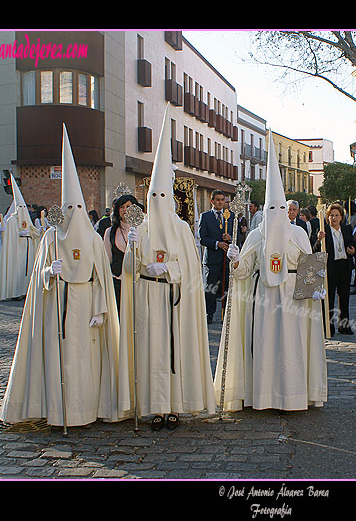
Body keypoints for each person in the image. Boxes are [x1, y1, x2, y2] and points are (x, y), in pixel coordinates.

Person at [0, 123, 126, 429]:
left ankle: (89, 409)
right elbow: (38, 279)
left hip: (87, 309)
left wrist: (101, 309)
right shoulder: (51, 239)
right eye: (70, 206)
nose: (74, 211)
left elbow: (101, 279)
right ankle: (61, 411)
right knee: (61, 361)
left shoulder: (95, 241)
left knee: (87, 362)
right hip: (58, 307)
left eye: (79, 206)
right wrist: (48, 272)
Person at [118, 105, 216, 431]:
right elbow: (130, 269)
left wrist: (170, 271)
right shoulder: (141, 228)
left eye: (164, 194)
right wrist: (132, 247)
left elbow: (189, 267)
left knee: (174, 351)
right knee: (151, 352)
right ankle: (154, 408)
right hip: (147, 297)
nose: (159, 200)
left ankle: (173, 406)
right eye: (154, 194)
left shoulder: (182, 230)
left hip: (173, 299)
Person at [216, 131, 327, 412]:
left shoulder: (299, 232)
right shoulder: (256, 234)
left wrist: (316, 286)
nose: (277, 213)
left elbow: (309, 262)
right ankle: (263, 395)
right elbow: (242, 274)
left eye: (282, 207)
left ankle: (293, 394)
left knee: (294, 345)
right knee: (265, 344)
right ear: (265, 209)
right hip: (264, 298)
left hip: (292, 297)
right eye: (272, 207)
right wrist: (236, 260)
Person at [0, 175, 42, 301]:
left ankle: (26, 290)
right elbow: (10, 236)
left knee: (27, 271)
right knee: (17, 270)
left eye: (24, 207)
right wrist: (19, 234)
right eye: (21, 207)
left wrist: (38, 231)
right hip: (17, 249)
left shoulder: (27, 219)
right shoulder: (12, 220)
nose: (23, 210)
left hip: (28, 249)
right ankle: (16, 291)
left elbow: (32, 231)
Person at [315, 202, 356, 334]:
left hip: (344, 266)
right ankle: (329, 325)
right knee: (330, 297)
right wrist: (319, 240)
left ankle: (344, 325)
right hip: (330, 267)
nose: (334, 218)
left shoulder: (347, 229)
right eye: (331, 215)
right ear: (327, 217)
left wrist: (352, 251)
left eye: (336, 215)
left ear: (341, 217)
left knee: (344, 297)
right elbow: (315, 249)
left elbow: (353, 246)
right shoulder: (323, 231)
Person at [199, 189, 235, 324]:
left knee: (226, 288)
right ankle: (209, 314)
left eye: (222, 200)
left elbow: (236, 237)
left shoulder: (230, 216)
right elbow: (202, 239)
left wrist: (230, 238)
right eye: (218, 200)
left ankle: (225, 315)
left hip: (226, 260)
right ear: (212, 201)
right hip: (212, 260)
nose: (220, 202)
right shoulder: (205, 216)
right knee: (211, 288)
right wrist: (217, 243)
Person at [103, 192, 139, 314]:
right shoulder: (110, 232)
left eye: (128, 206)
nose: (125, 210)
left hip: (137, 282)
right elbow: (107, 259)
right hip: (117, 282)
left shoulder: (142, 230)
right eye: (122, 207)